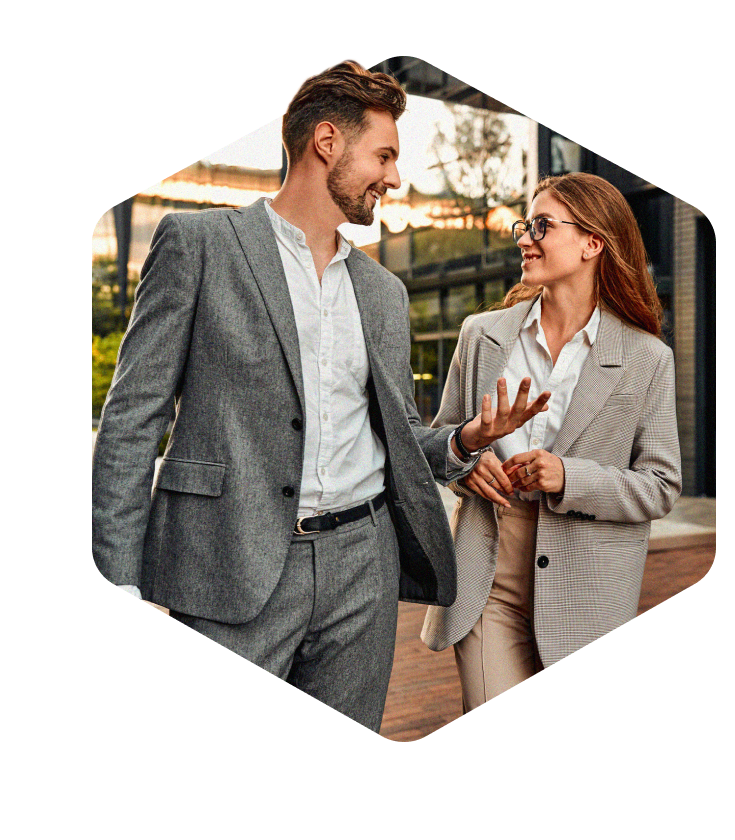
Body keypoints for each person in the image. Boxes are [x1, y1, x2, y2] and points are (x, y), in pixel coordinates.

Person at [91, 61, 547, 732]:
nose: (395, 177)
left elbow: (393, 439)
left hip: (363, 570)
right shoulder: (199, 246)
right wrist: (114, 585)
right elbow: (132, 422)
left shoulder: (384, 293)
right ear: (326, 142)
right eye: (385, 155)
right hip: (230, 564)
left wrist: (463, 441)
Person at [421, 172, 682, 713]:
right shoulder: (481, 334)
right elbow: (430, 446)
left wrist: (570, 477)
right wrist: (466, 454)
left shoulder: (646, 357)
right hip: (486, 580)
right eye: (524, 225)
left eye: (541, 225)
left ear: (593, 243)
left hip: (587, 595)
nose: (523, 238)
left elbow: (661, 486)